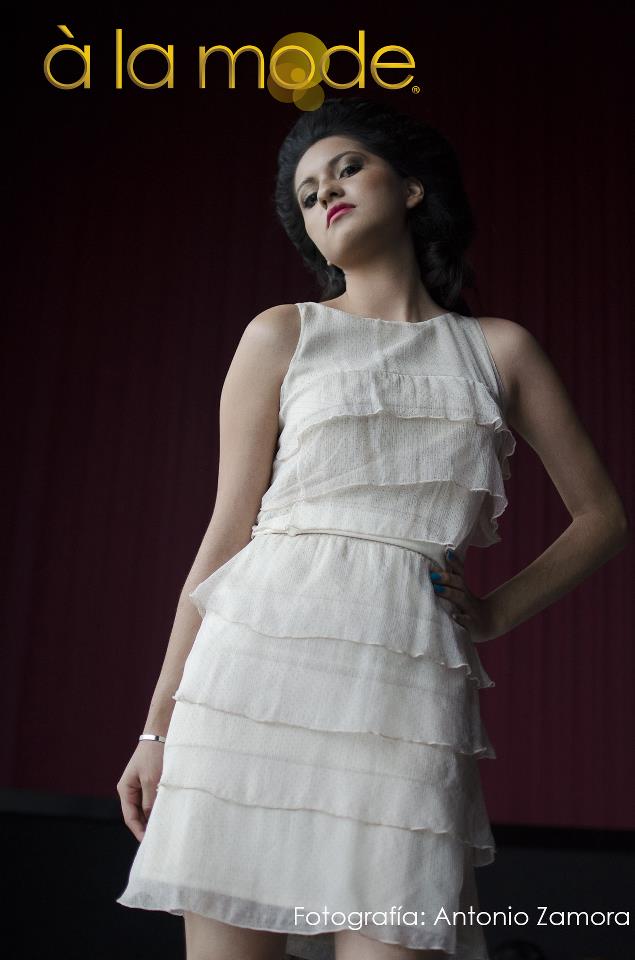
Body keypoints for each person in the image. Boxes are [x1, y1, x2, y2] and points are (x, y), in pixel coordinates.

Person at [115, 97, 629, 960]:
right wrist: (155, 729)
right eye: (308, 193)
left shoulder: (499, 350)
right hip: (248, 681)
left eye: (346, 168)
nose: (326, 193)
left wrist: (492, 614)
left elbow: (603, 517)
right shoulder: (281, 334)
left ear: (412, 188)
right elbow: (223, 539)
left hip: (404, 691)